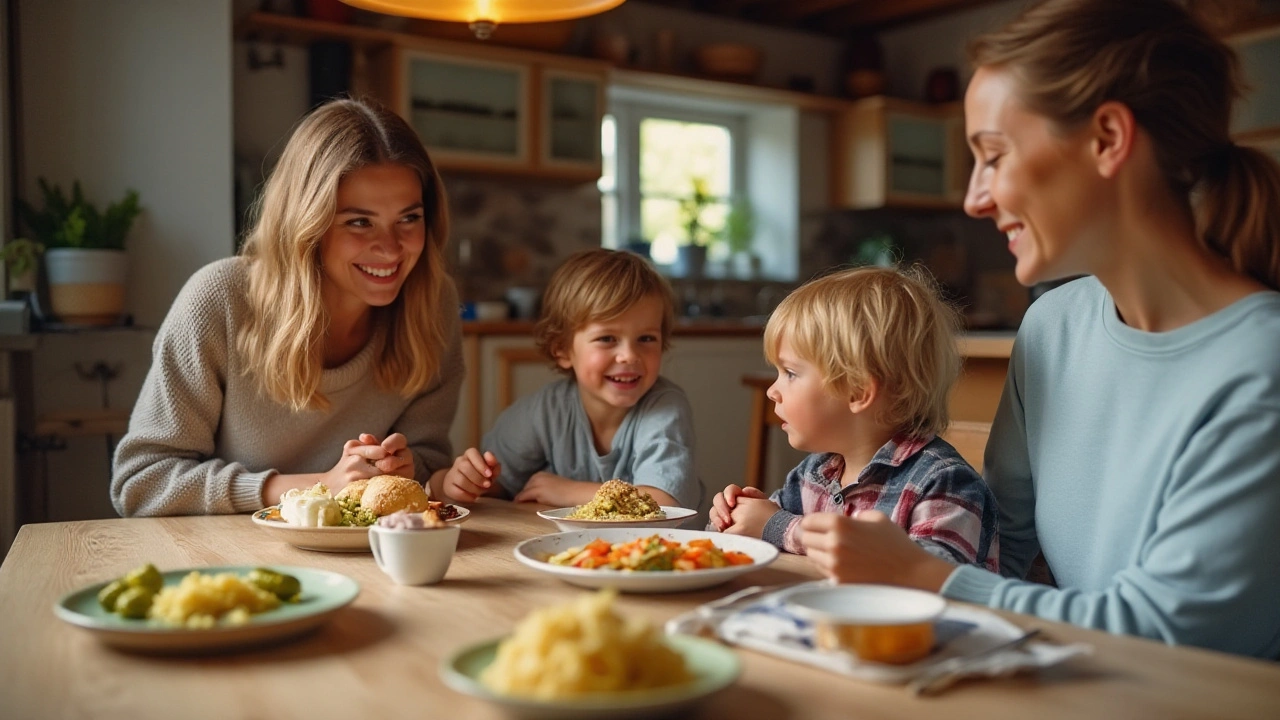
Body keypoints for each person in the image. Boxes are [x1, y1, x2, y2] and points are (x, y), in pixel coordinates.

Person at [798, 0, 1280, 658]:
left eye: (993, 155)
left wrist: (922, 576)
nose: (975, 198)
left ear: (1108, 139)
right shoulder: (1052, 326)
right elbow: (1006, 547)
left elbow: (1174, 635)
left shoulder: (1260, 362)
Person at [112, 98, 464, 517]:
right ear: (307, 224)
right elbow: (141, 484)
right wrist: (317, 487)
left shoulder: (431, 302)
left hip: (364, 558)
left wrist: (403, 470)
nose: (390, 249)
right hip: (226, 559)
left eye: (408, 218)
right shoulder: (219, 299)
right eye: (359, 221)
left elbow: (429, 461)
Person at [709, 266, 999, 571]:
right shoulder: (813, 474)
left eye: (791, 373)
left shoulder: (942, 482)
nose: (772, 391)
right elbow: (753, 535)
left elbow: (934, 577)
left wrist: (779, 527)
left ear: (858, 391)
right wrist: (732, 517)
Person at [433, 249, 701, 511]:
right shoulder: (543, 412)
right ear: (562, 349)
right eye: (607, 339)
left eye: (646, 339)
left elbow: (667, 504)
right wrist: (467, 482)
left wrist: (568, 491)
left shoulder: (665, 407)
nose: (629, 356)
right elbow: (497, 485)